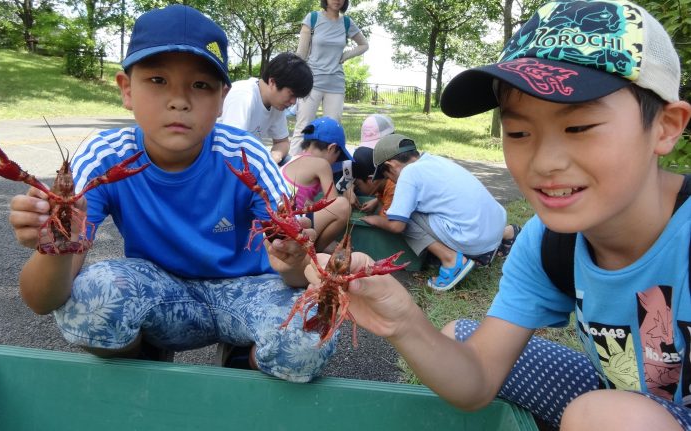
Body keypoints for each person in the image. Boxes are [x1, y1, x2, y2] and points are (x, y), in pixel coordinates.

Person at [330, 0, 691, 428]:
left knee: (603, 417)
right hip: (624, 389)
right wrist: (404, 320)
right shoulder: (547, 242)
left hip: (632, 410)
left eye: (578, 127)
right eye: (519, 132)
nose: (544, 161)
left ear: (666, 126)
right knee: (458, 339)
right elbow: (477, 377)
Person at [8, 5, 336, 383]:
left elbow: (292, 272)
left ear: (222, 99)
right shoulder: (103, 157)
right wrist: (53, 248)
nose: (179, 100)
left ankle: (243, 363)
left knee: (311, 336)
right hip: (161, 294)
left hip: (250, 293)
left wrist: (296, 260)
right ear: (126, 89)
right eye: (158, 80)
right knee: (88, 302)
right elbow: (43, 300)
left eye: (200, 85)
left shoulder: (249, 156)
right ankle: (144, 359)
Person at [361, 134, 518, 290]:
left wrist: (375, 220)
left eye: (387, 175)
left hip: (475, 239)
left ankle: (451, 261)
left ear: (391, 164)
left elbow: (396, 226)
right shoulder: (434, 160)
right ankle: (508, 233)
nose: (390, 181)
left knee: (406, 216)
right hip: (495, 227)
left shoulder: (408, 173)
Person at [290, 0, 369, 156]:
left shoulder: (346, 22)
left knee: (333, 131)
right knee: (303, 127)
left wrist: (345, 55)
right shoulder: (312, 18)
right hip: (311, 82)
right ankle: (291, 173)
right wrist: (295, 78)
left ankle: (327, 172)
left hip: (335, 83)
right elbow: (300, 54)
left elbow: (364, 45)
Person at [217, 52, 312, 165]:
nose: (293, 102)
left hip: (248, 159)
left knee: (291, 163)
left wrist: (275, 156)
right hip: (223, 159)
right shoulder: (244, 96)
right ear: (272, 82)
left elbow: (283, 142)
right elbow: (232, 147)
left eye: (297, 97)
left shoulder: (276, 104)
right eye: (291, 94)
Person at [281, 116, 352, 253]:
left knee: (333, 247)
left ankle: (318, 249)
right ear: (332, 148)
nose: (334, 163)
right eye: (337, 157)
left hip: (279, 224)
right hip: (292, 226)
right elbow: (333, 202)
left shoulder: (292, 160)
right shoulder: (321, 164)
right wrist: (348, 191)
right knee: (343, 205)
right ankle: (312, 253)